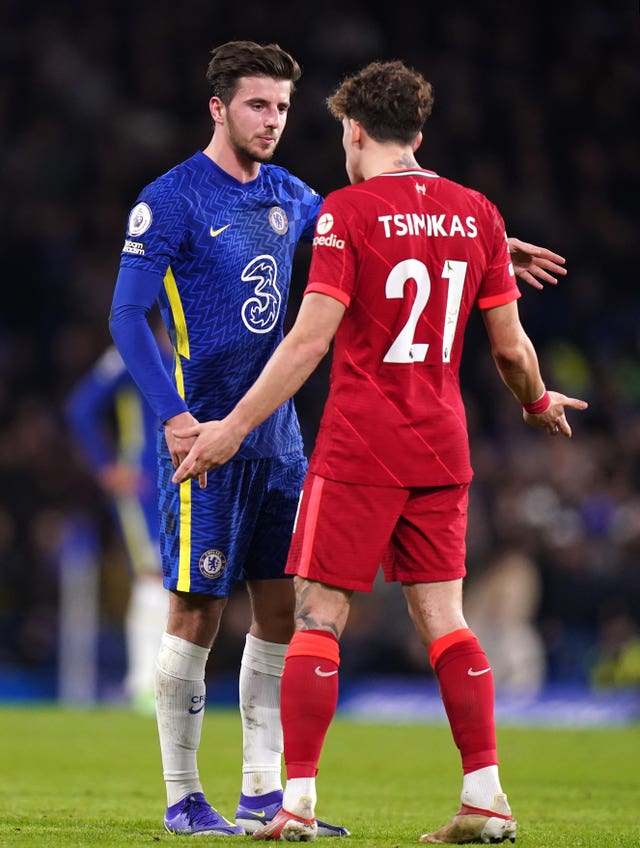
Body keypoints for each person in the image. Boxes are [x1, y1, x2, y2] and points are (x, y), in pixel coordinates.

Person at [170, 59, 588, 844]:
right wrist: (536, 401)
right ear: (420, 134)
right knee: (446, 620)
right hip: (443, 445)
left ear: (354, 131)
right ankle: (486, 796)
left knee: (318, 616)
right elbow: (510, 350)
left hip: (361, 444)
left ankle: (293, 804)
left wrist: (230, 429)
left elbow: (308, 340)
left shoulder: (347, 212)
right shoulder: (478, 214)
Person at [109, 40, 349, 838]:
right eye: (257, 104)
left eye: (282, 107)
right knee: (196, 615)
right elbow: (126, 315)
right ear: (218, 108)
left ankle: (259, 792)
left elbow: (365, 241)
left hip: (279, 444)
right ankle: (183, 798)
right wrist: (176, 417)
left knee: (282, 611)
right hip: (203, 441)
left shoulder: (292, 193)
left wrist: (486, 251)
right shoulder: (171, 199)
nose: (273, 120)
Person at [65, 339, 170, 715]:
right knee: (153, 573)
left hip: (190, 481)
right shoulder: (134, 346)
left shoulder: (201, 344)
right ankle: (144, 687)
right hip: (143, 483)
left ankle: (167, 685)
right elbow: (81, 406)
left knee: (181, 582)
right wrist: (106, 466)